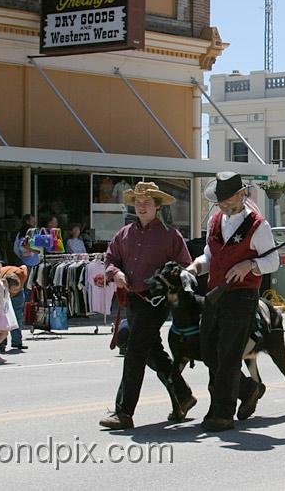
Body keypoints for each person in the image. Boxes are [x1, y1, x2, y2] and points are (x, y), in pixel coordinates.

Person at [98, 181, 196, 431]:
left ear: (158, 206)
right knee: (154, 353)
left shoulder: (170, 235)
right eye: (138, 203)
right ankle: (183, 395)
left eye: (147, 203)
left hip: (155, 303)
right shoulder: (125, 233)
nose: (141, 207)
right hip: (132, 300)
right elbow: (110, 259)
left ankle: (124, 412)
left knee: (134, 353)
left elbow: (185, 268)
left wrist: (169, 283)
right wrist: (116, 273)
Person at [188, 171, 279, 432]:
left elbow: (272, 261)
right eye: (221, 201)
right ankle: (248, 387)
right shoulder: (216, 221)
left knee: (228, 355)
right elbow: (209, 256)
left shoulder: (259, 225)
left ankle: (222, 413)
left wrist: (250, 264)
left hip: (242, 296)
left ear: (241, 195)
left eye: (229, 200)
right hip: (215, 293)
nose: (225, 205)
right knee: (208, 351)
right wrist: (195, 267)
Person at [0, 265, 29, 353]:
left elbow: (24, 266)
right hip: (2, 295)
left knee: (17, 317)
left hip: (18, 295)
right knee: (3, 319)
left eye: (16, 289)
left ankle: (17, 342)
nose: (14, 292)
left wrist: (17, 290)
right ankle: (1, 344)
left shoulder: (22, 274)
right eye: (12, 290)